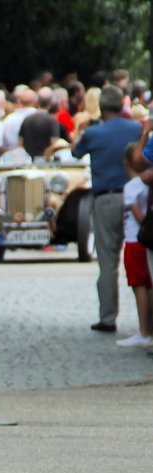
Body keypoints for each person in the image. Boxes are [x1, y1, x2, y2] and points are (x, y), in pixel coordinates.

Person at [75, 86, 142, 333]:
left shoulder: (94, 132)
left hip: (106, 198)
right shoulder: (135, 128)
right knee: (144, 259)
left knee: (107, 261)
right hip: (137, 195)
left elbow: (76, 151)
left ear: (102, 108)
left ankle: (108, 317)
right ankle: (146, 321)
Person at [117, 142, 153, 347]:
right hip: (143, 239)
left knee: (139, 285)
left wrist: (145, 227)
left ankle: (144, 330)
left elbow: (137, 214)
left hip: (135, 238)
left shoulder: (132, 186)